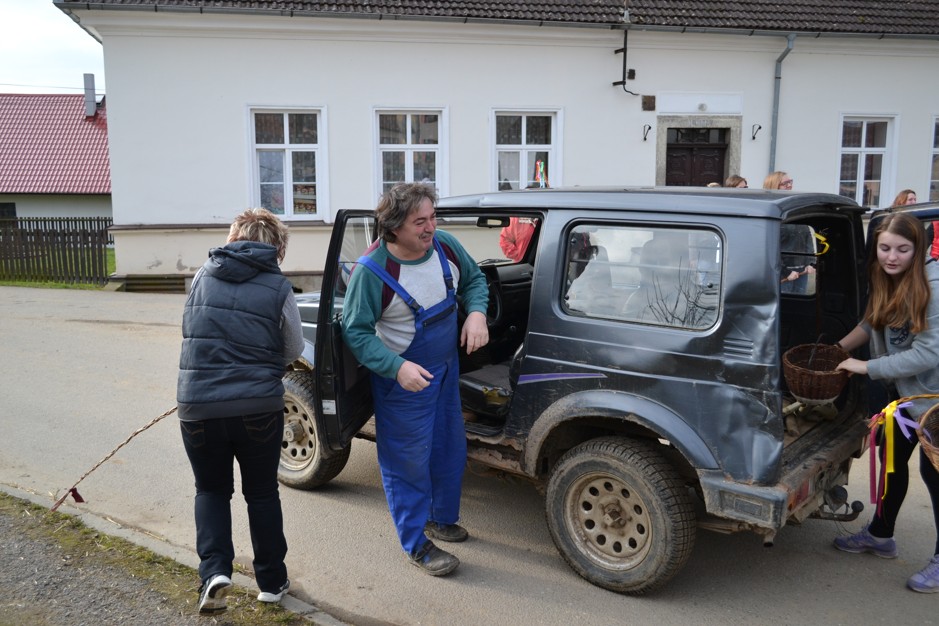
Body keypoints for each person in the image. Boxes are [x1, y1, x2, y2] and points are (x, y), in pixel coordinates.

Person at [341, 182, 489, 576]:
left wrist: (476, 313)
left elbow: (475, 281)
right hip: (404, 380)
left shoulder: (445, 246)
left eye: (432, 217)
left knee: (448, 447)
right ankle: (416, 544)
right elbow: (355, 332)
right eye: (419, 221)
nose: (430, 227)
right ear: (393, 228)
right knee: (407, 461)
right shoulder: (371, 272)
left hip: (445, 369)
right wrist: (396, 367)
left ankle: (440, 518)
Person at [176, 208, 303, 613]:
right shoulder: (279, 287)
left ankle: (214, 573)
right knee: (261, 493)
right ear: (278, 249)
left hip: (198, 404)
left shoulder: (202, 275)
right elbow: (293, 348)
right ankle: (271, 582)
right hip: (257, 406)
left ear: (232, 239)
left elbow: (192, 329)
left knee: (210, 490)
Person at [832, 212, 939, 593]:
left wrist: (866, 366)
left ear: (918, 248)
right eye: (885, 248)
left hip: (934, 400)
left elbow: (929, 353)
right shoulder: (885, 276)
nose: (892, 257)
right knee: (892, 460)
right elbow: (872, 322)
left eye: (902, 249)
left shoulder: (934, 286)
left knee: (934, 474)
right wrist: (838, 349)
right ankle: (881, 534)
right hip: (901, 396)